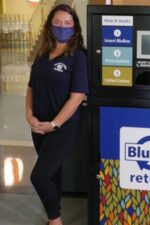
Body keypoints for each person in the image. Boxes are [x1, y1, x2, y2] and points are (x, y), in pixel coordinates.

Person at [25, 4, 88, 225]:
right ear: (50, 26)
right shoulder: (42, 53)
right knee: (52, 172)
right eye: (58, 23)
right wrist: (29, 115)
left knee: (39, 176)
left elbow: (78, 96)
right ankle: (55, 209)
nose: (62, 27)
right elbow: (31, 87)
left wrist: (54, 124)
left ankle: (55, 220)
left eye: (67, 23)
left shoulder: (78, 56)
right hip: (38, 126)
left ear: (75, 27)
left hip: (63, 127)